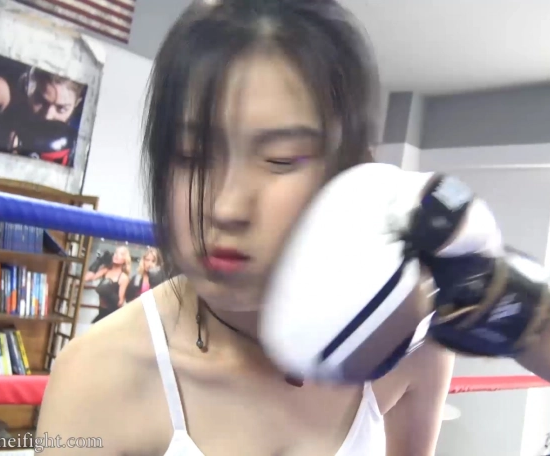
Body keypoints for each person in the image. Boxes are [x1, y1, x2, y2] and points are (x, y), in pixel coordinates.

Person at [36, 2, 453, 455]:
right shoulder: (98, 377)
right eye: (191, 156)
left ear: (354, 173)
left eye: (280, 159)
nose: (226, 207)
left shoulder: (410, 346)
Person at [84, 245, 132, 323]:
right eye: (116, 253)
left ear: (124, 260)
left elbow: (120, 302)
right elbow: (87, 278)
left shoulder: (123, 277)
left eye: (121, 254)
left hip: (113, 315)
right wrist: (98, 261)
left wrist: (110, 294)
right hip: (101, 311)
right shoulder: (106, 270)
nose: (117, 255)